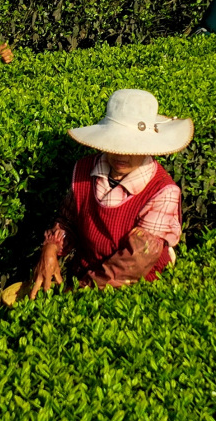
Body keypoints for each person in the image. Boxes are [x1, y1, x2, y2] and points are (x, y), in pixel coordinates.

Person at [30, 89, 191, 294]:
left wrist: (81, 289)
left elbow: (135, 260)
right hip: (86, 273)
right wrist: (51, 247)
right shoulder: (84, 170)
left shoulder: (162, 191)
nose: (120, 153)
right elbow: (68, 219)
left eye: (131, 146)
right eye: (114, 144)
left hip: (136, 287)